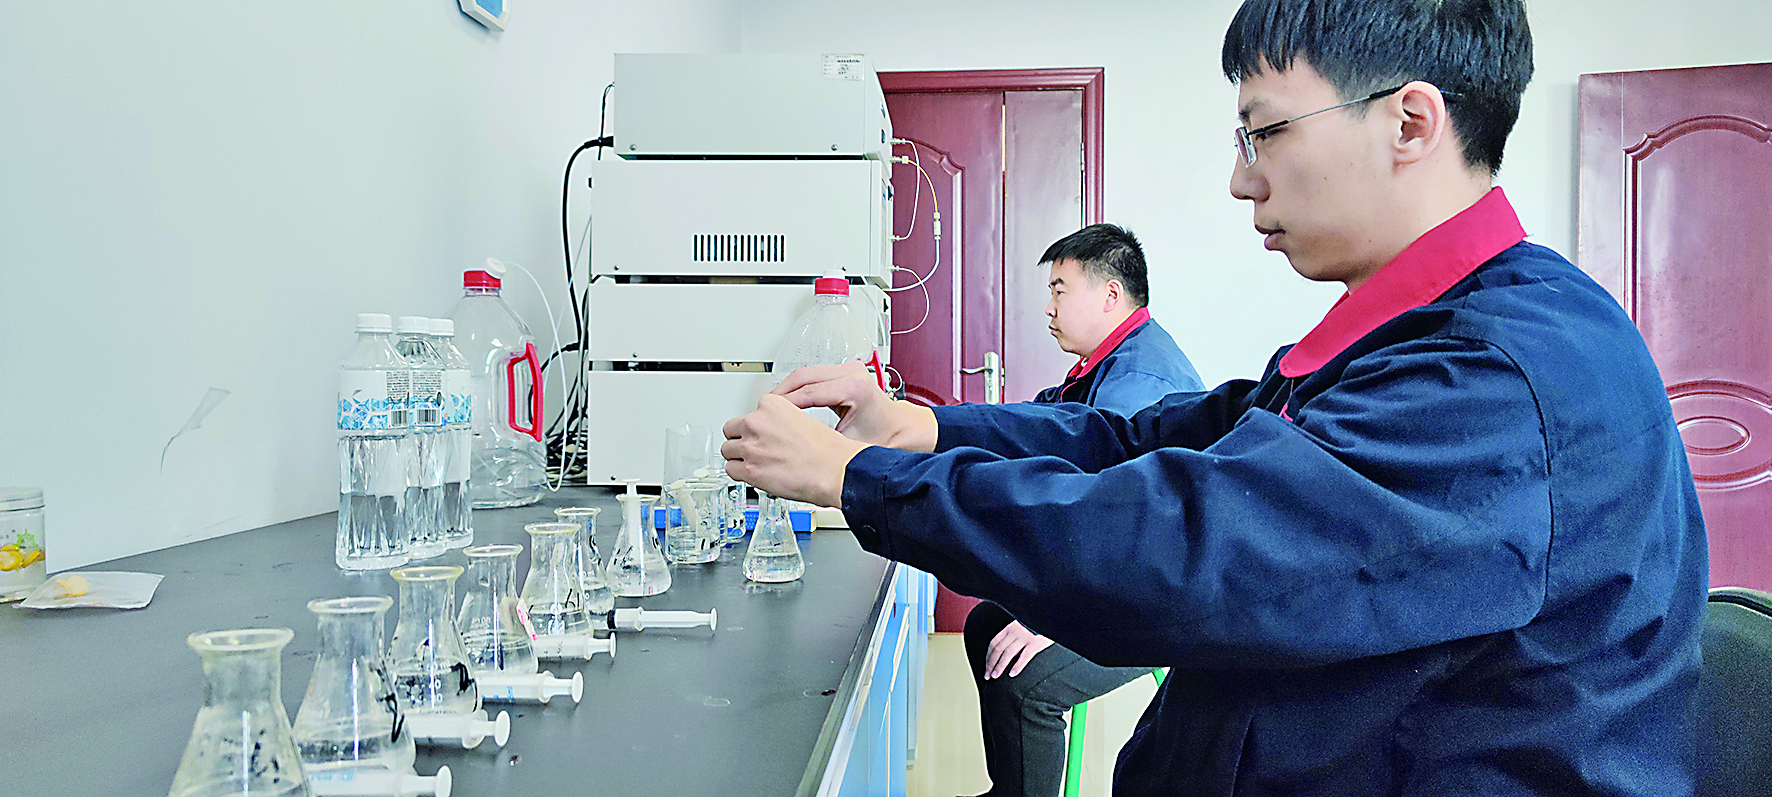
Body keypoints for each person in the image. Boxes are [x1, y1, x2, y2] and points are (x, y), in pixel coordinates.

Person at [722, 0, 1708, 794]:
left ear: (1409, 122)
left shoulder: (1489, 379)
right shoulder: (1406, 333)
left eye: (1263, 132)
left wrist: (863, 479)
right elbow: (1152, 438)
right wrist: (926, 427)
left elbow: (1180, 545)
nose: (1242, 180)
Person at [966, 222, 1204, 797]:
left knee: (1025, 683)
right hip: (1128, 571)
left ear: (1109, 295)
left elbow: (1117, 520)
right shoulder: (1105, 365)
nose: (1048, 308)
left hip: (1159, 592)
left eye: (1059, 290)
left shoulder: (1141, 381)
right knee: (987, 623)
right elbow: (1042, 425)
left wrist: (1050, 618)